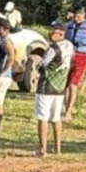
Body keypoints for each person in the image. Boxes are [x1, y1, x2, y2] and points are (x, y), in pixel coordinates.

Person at [35, 22, 74, 157]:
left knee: (43, 118)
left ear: (60, 34)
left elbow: (43, 65)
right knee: (56, 118)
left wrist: (37, 68)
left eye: (53, 32)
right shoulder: (69, 45)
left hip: (47, 85)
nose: (50, 34)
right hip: (60, 86)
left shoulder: (53, 48)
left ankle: (42, 149)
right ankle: (58, 149)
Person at [63, 7, 86, 121]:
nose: (76, 18)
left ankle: (69, 112)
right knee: (65, 85)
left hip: (82, 57)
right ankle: (65, 108)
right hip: (69, 56)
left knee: (73, 85)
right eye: (75, 16)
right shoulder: (69, 25)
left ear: (83, 16)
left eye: (79, 16)